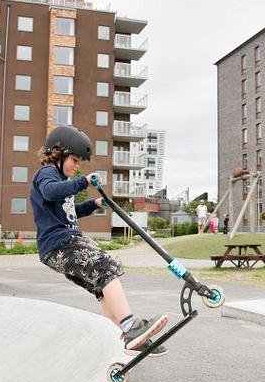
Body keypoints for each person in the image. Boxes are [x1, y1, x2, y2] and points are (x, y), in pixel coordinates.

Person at [30, 126, 169, 357]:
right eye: (74, 160)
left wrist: (92, 205)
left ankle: (132, 338)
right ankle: (131, 326)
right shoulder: (47, 174)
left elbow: (67, 210)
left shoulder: (62, 179)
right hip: (60, 243)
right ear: (58, 153)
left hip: (60, 246)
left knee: (101, 288)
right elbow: (51, 192)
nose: (77, 166)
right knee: (106, 265)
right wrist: (82, 182)